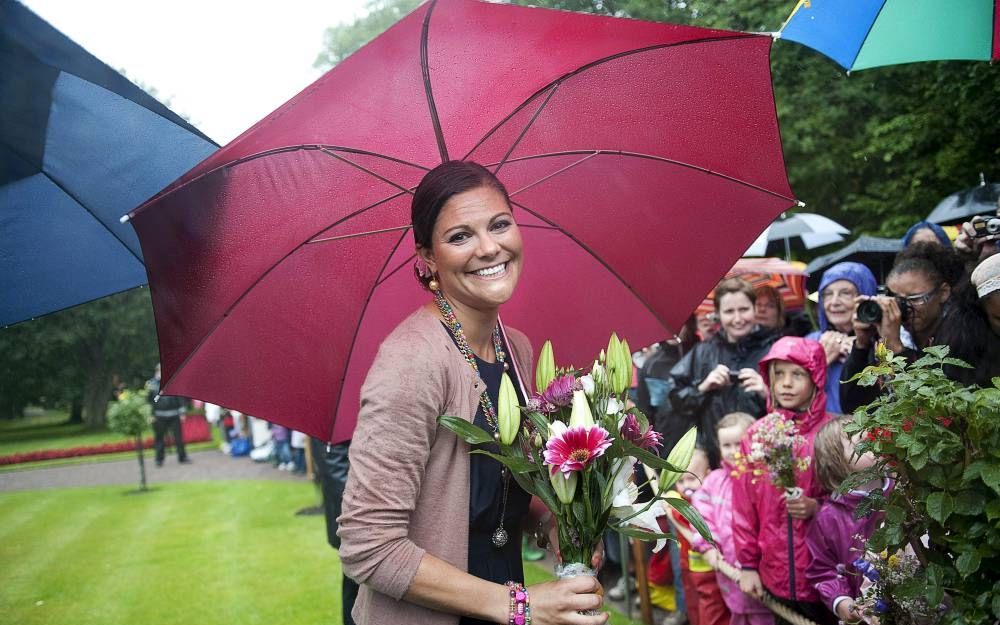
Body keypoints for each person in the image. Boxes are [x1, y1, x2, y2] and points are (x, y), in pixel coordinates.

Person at [336, 161, 606, 625]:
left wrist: (552, 518)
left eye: (499, 224)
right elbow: (368, 544)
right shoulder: (413, 360)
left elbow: (495, 488)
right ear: (426, 258)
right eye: (460, 236)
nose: (489, 247)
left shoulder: (514, 346)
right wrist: (520, 607)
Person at [733, 337, 834, 625]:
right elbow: (743, 507)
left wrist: (817, 506)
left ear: (816, 378)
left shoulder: (832, 433)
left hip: (824, 576)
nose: (787, 383)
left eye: (797, 374)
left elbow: (852, 502)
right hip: (774, 573)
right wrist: (748, 565)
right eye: (779, 374)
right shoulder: (757, 435)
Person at [840, 243, 977, 412]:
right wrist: (862, 345)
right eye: (894, 298)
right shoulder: (884, 333)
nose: (902, 308)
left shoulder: (962, 334)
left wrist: (895, 348)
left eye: (914, 298)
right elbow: (853, 407)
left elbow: (932, 409)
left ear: (943, 293)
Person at [669, 278, 776, 468]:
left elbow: (795, 406)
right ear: (718, 314)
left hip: (766, 458)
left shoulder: (775, 347)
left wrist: (766, 392)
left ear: (754, 308)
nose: (737, 319)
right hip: (717, 459)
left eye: (744, 309)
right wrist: (703, 387)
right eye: (729, 311)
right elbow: (675, 400)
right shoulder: (703, 352)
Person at [806, 416, 891, 625]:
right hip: (864, 615)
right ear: (838, 462)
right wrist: (841, 602)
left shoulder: (904, 493)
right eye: (861, 443)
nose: (874, 444)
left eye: (873, 436)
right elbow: (822, 569)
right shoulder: (830, 516)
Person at [690, 412, 773, 625]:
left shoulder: (765, 481)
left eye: (740, 443)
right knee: (736, 614)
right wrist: (707, 546)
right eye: (727, 445)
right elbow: (700, 515)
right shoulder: (714, 481)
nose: (734, 451)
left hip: (761, 578)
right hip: (728, 574)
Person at [805, 262, 877, 414]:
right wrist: (821, 361)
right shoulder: (810, 342)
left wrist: (860, 352)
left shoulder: (884, 341)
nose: (834, 302)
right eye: (827, 294)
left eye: (845, 293)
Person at [662, 448, 713, 625]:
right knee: (690, 601)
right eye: (680, 481)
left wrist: (672, 509)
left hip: (708, 568)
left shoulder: (707, 501)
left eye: (691, 479)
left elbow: (690, 519)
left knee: (709, 609)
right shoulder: (679, 498)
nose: (685, 486)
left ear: (708, 475)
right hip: (686, 562)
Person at [145, 363, 190, 467]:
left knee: (178, 438)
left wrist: (182, 412)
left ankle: (182, 457)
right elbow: (149, 401)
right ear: (156, 371)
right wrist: (150, 414)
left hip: (174, 413)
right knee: (159, 438)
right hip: (159, 415)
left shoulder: (173, 381)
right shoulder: (150, 384)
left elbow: (179, 397)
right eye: (161, 370)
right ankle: (159, 459)